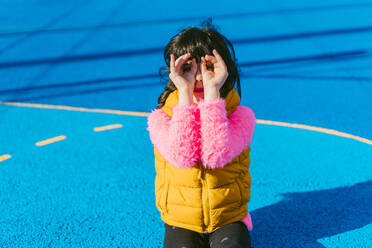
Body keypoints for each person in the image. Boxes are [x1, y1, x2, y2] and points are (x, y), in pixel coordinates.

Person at [147, 19, 256, 248]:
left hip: (228, 216)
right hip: (181, 219)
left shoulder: (241, 116)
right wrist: (184, 94)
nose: (197, 77)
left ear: (223, 69)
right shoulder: (160, 118)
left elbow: (216, 156)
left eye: (206, 67)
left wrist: (213, 92)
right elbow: (182, 156)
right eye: (188, 68)